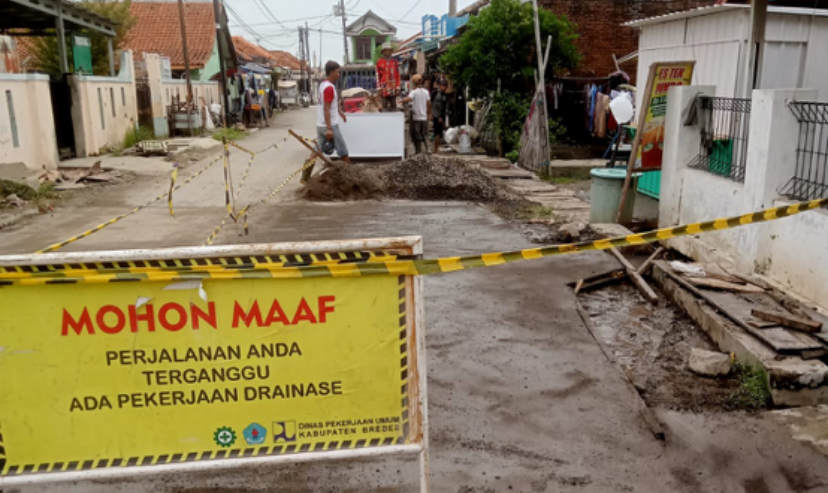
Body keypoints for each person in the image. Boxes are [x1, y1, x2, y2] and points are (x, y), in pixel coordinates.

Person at [303, 60, 350, 184]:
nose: (339, 75)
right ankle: (352, 177)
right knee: (343, 151)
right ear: (331, 72)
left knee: (316, 151)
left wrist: (339, 111)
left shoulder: (323, 84)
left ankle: (305, 177)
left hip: (320, 124)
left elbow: (330, 104)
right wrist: (329, 128)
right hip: (329, 125)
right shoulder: (329, 87)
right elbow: (326, 108)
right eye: (337, 72)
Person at [401, 75, 430, 155]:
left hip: (416, 117)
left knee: (415, 134)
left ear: (414, 83)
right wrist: (428, 114)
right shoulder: (426, 92)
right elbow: (429, 103)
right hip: (424, 117)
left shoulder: (414, 92)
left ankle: (418, 151)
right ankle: (428, 150)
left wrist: (401, 101)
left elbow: (409, 98)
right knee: (424, 134)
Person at [376, 43, 400, 112]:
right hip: (383, 87)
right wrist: (378, 87)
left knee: (393, 106)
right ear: (383, 51)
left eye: (389, 50)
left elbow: (398, 74)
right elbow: (377, 75)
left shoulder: (395, 62)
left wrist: (398, 87)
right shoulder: (379, 62)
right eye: (386, 50)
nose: (388, 52)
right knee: (384, 106)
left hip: (393, 86)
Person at [432, 78, 449, 153]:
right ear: (440, 85)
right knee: (437, 133)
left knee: (438, 133)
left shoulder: (445, 96)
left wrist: (442, 117)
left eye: (445, 86)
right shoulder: (436, 94)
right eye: (443, 85)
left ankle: (436, 148)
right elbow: (431, 103)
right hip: (436, 116)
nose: (444, 87)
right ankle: (435, 149)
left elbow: (444, 108)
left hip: (439, 116)